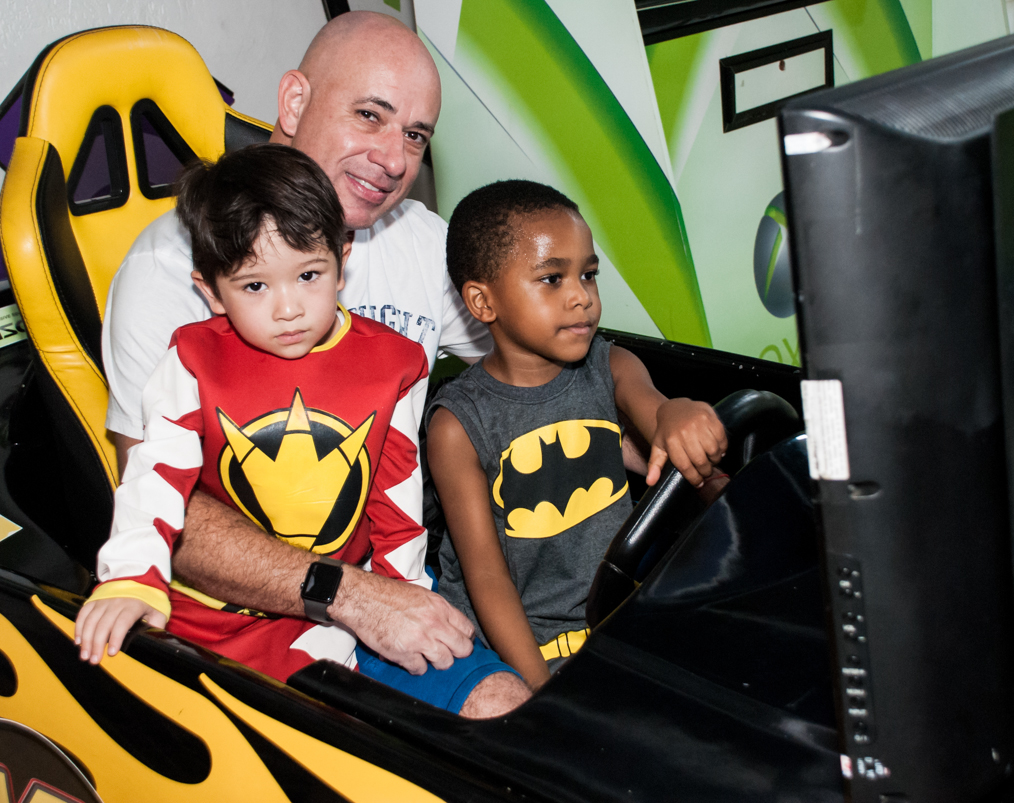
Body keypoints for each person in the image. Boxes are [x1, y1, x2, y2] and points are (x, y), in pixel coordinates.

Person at [99, 12, 529, 716]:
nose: (394, 159)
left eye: (415, 135)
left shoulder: (415, 239)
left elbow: (544, 340)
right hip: (232, 625)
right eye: (370, 115)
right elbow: (160, 507)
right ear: (294, 102)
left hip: (389, 580)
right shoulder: (168, 270)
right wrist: (351, 596)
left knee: (508, 715)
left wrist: (647, 409)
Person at [403, 180, 728, 690]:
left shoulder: (611, 364)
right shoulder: (457, 424)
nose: (582, 297)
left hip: (613, 614)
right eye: (552, 279)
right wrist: (541, 693)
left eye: (589, 275)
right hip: (516, 647)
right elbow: (487, 580)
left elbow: (656, 410)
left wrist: (678, 415)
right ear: (483, 302)